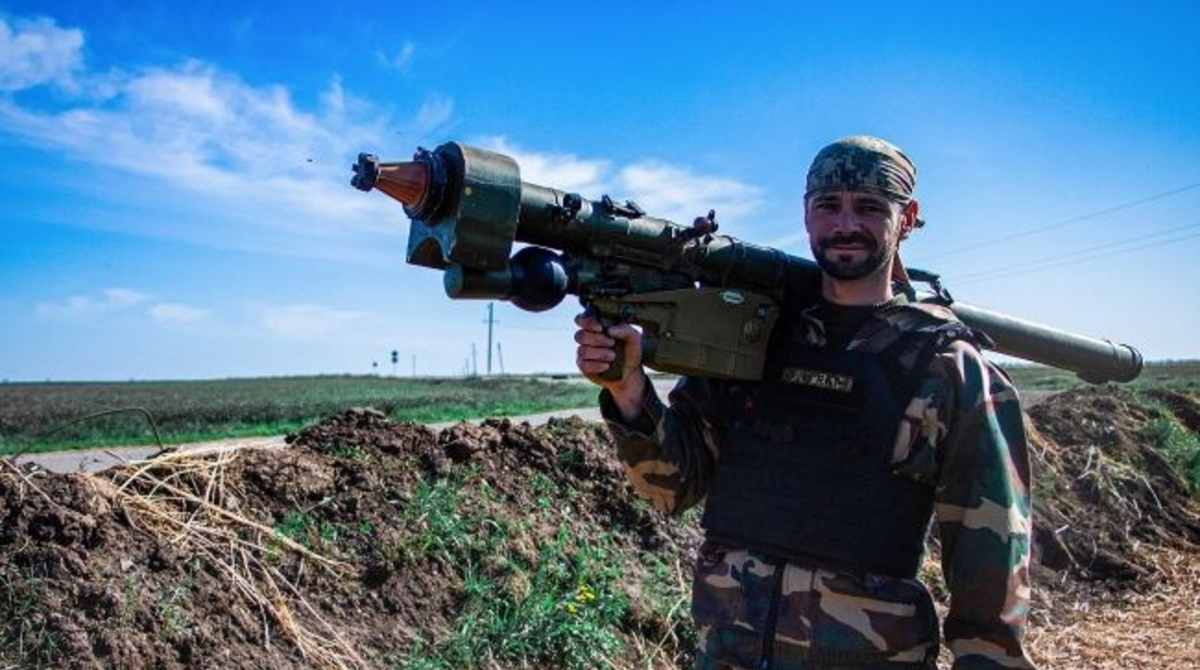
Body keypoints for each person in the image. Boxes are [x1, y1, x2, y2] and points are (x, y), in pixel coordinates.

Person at [574, 136, 1037, 670]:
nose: (845, 225)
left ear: (906, 219)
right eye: (828, 206)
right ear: (806, 213)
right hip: (729, 654)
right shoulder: (753, 339)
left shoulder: (945, 367)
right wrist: (630, 391)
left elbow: (992, 558)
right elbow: (673, 490)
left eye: (869, 207)